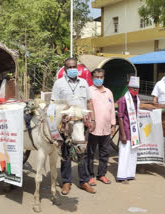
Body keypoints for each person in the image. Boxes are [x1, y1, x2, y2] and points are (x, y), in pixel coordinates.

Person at [51, 58, 96, 194]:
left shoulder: (83, 83)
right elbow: (54, 103)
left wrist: (93, 120)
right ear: (65, 69)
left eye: (74, 67)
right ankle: (66, 181)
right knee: (66, 152)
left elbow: (89, 102)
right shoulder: (59, 84)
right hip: (66, 123)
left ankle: (84, 181)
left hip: (81, 122)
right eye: (69, 67)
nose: (72, 69)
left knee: (83, 151)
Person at [87, 68, 116, 186]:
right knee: (91, 152)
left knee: (105, 152)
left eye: (101, 77)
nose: (99, 79)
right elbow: (87, 108)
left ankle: (102, 174)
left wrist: (113, 124)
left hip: (106, 128)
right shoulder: (89, 91)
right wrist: (89, 123)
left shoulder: (108, 92)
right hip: (93, 127)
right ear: (92, 78)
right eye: (96, 77)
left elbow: (112, 109)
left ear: (104, 78)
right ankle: (90, 176)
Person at [116, 76, 140, 184]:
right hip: (126, 129)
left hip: (134, 132)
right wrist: (123, 134)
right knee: (124, 153)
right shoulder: (123, 100)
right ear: (128, 87)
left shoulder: (137, 99)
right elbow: (120, 116)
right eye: (133, 88)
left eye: (136, 88)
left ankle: (130, 174)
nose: (135, 90)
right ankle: (122, 176)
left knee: (133, 153)